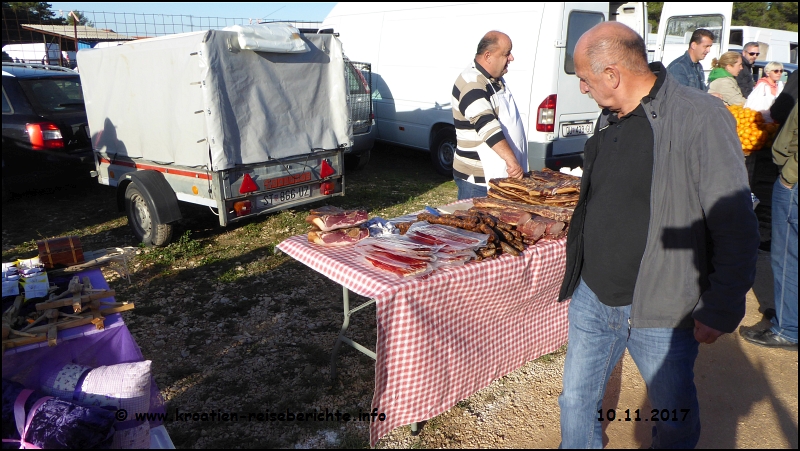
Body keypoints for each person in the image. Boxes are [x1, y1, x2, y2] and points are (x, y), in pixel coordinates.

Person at [557, 22, 759, 448]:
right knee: (576, 401)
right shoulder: (609, 115)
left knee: (673, 416)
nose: (582, 88)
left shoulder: (700, 115)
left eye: (585, 79)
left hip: (663, 306)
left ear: (612, 74)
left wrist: (722, 304)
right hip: (594, 297)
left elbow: (735, 220)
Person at [740, 101, 798, 350]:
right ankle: (790, 312)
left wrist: (789, 175)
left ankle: (788, 327)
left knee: (787, 255)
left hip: (794, 183)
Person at [451, 31, 526, 200]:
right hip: (478, 182)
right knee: (475, 226)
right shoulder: (472, 83)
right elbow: (486, 125)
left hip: (499, 176)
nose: (511, 58)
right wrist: (512, 161)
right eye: (506, 53)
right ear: (488, 56)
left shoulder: (493, 79)